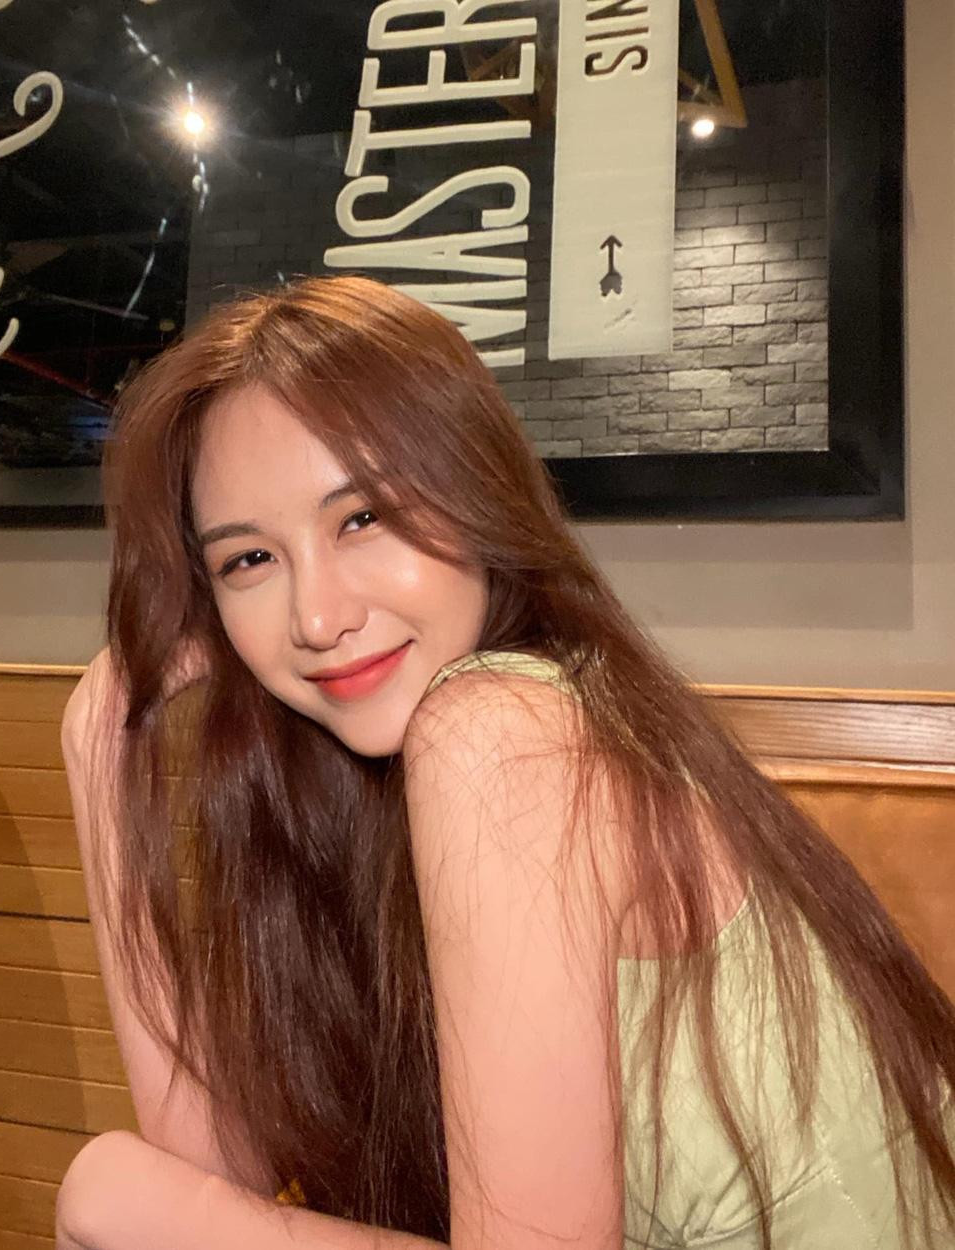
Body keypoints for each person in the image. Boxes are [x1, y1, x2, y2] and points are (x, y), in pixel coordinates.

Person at [57, 275, 955, 1250]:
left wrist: (131, 1202)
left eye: (362, 516)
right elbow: (212, 1181)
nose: (316, 616)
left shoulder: (501, 733)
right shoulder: (388, 783)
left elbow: (185, 1212)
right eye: (249, 560)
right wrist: (101, 744)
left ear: (473, 487)